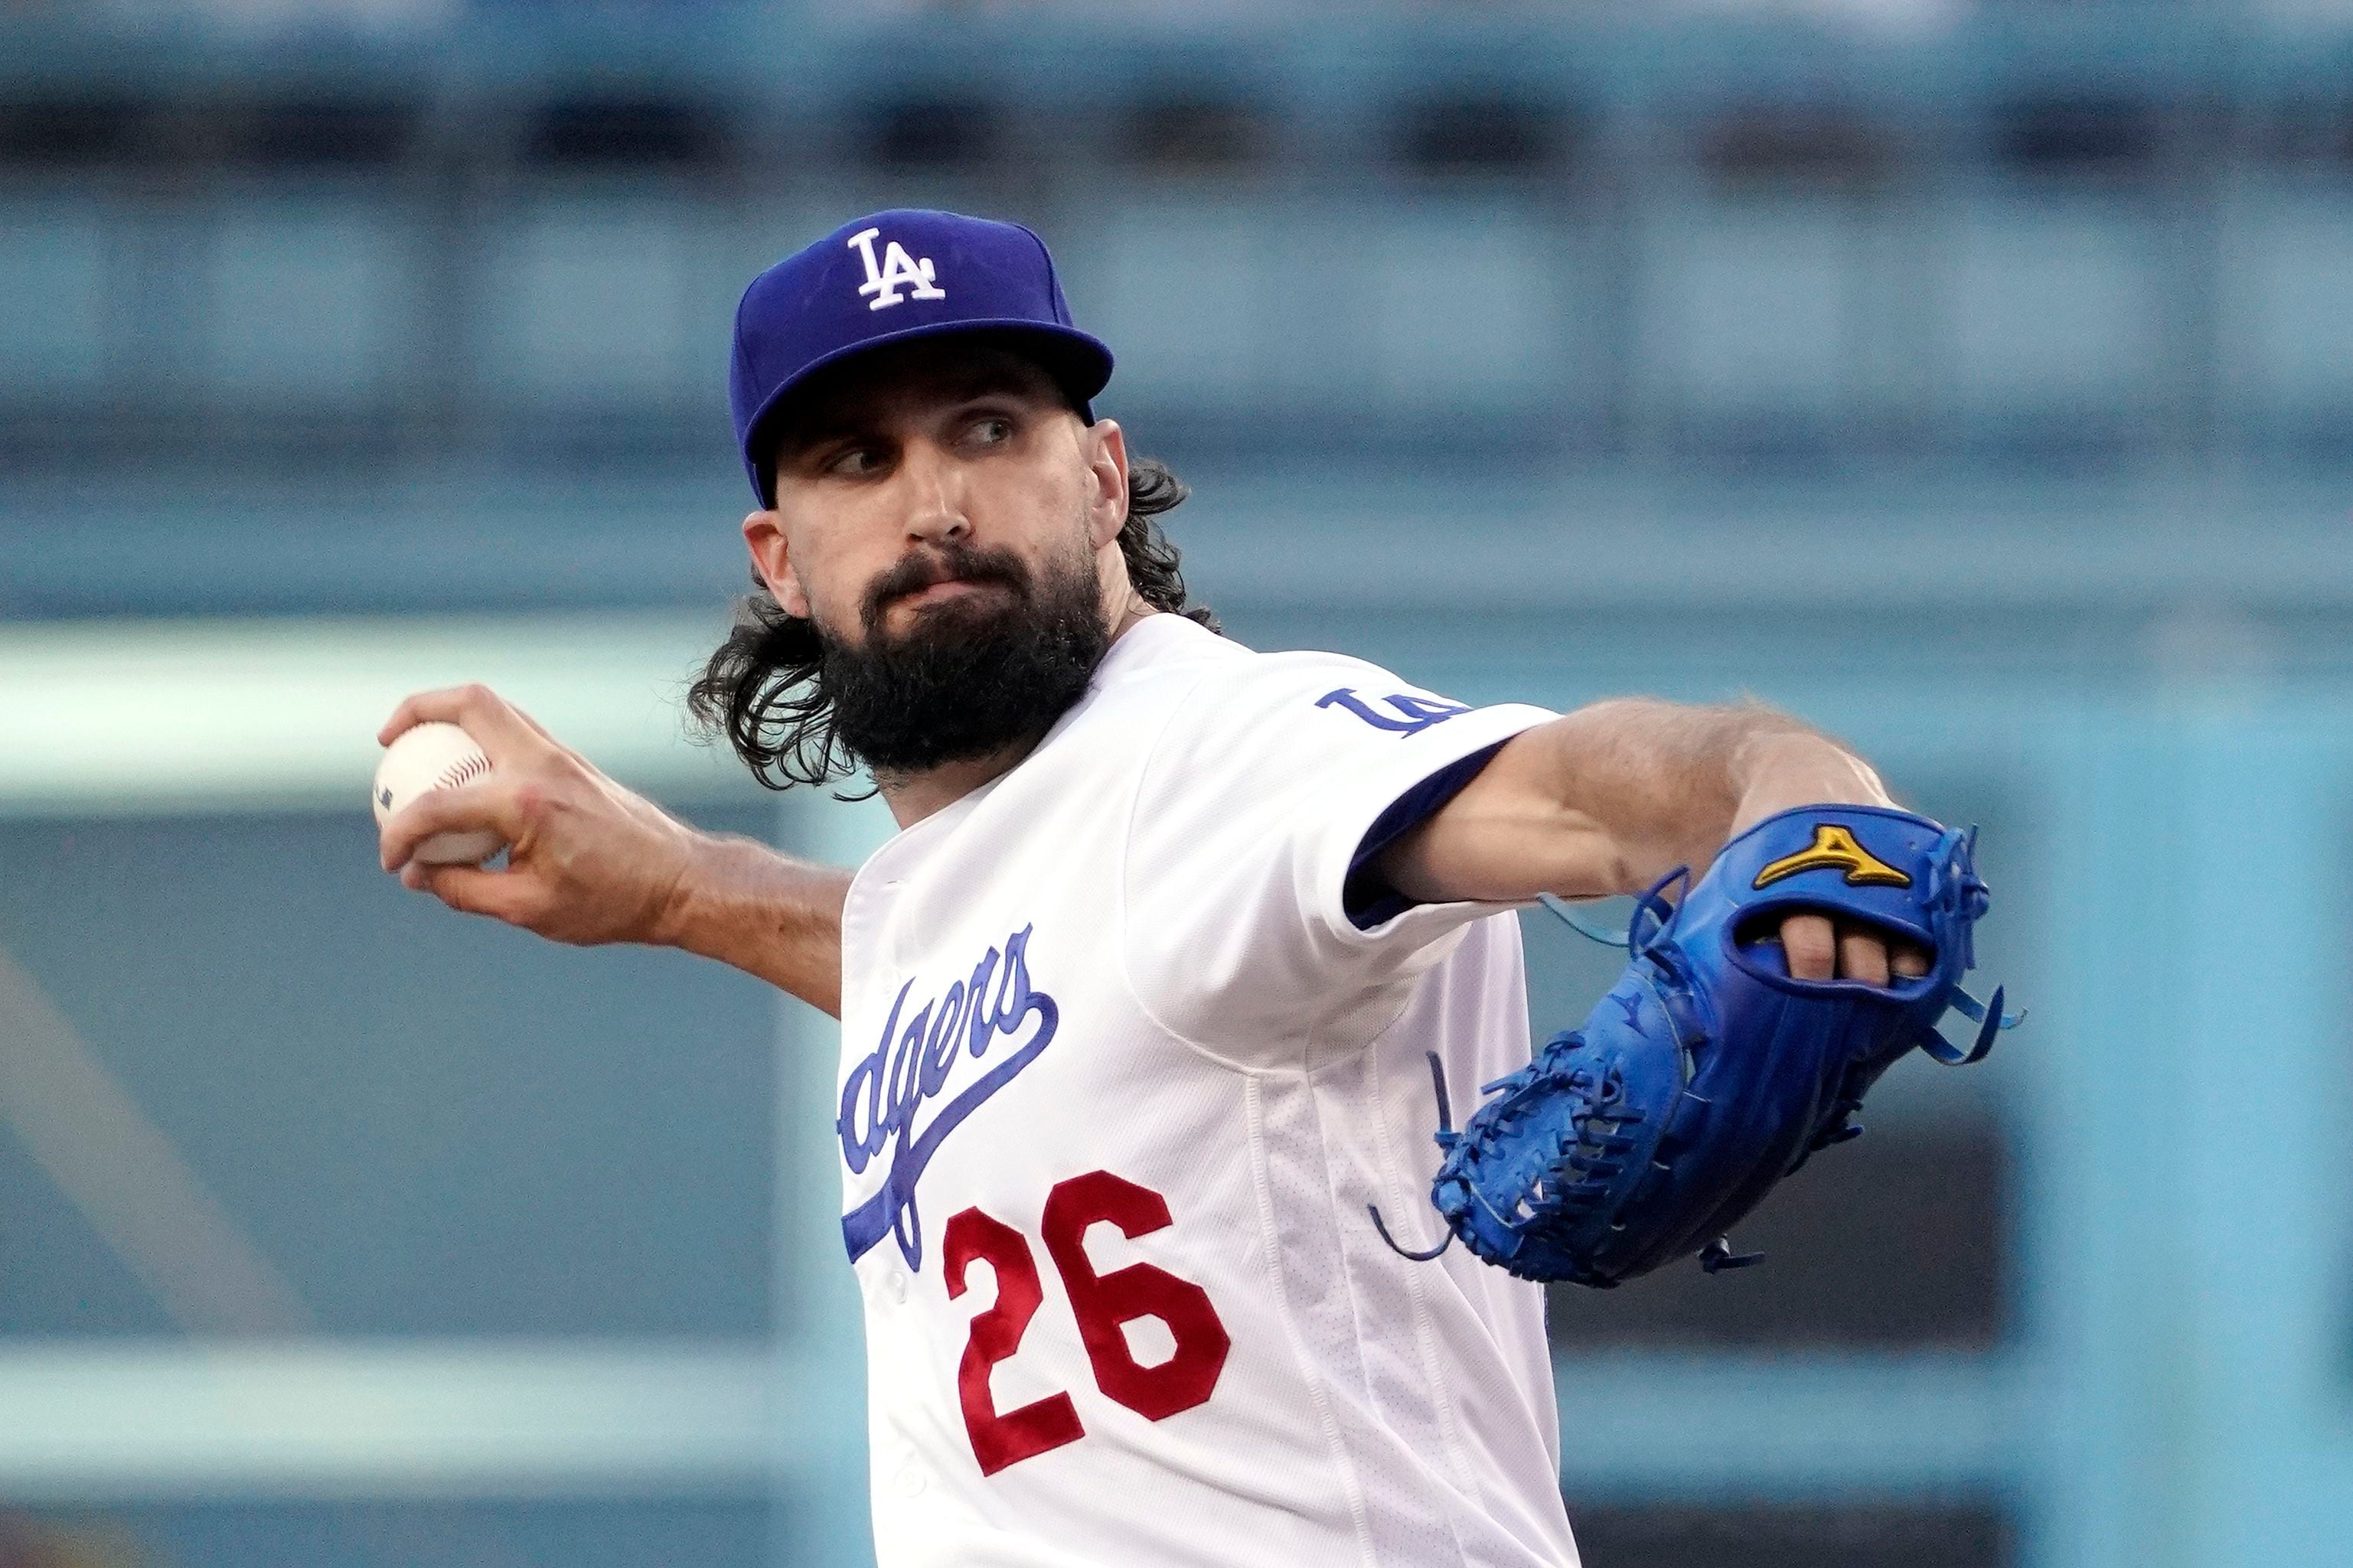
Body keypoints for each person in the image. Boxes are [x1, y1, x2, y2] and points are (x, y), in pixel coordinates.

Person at [377, 209, 1927, 1568]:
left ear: (1104, 473)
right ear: (780, 558)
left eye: (989, 427)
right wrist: (674, 890)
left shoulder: (1223, 751)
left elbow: (1587, 791)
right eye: (864, 455)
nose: (935, 503)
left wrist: (1796, 800)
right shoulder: (1002, 864)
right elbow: (1044, 977)